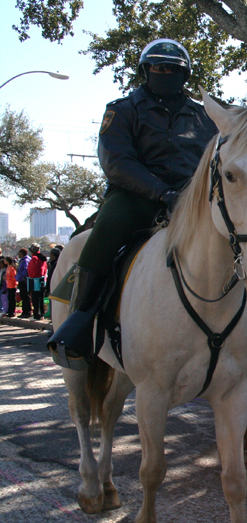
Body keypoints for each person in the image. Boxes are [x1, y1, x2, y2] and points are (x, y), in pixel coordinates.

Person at [47, 38, 218, 370]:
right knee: (104, 233)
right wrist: (160, 193)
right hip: (136, 198)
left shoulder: (205, 117)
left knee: (238, 237)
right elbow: (117, 162)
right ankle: (80, 323)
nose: (166, 72)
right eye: (159, 67)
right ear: (146, 71)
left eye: (174, 69)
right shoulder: (123, 110)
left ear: (185, 75)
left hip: (191, 201)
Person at [27, 243, 48, 320]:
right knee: (41, 298)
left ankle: (37, 315)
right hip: (42, 280)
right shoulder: (42, 258)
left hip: (35, 281)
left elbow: (33, 271)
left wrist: (29, 275)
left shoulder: (34, 258)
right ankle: (41, 314)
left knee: (35, 299)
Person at [16, 248, 31, 318]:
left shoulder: (25, 260)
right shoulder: (21, 260)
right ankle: (24, 311)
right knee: (23, 296)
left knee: (25, 296)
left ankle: (27, 312)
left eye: (19, 253)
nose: (18, 254)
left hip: (24, 280)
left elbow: (26, 270)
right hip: (21, 280)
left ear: (22, 253)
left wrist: (20, 276)